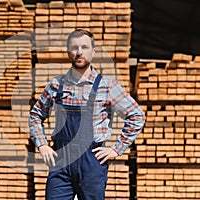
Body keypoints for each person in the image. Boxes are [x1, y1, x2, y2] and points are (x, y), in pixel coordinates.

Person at [28, 29, 145, 200]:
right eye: (74, 47)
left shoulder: (108, 86)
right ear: (68, 51)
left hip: (92, 161)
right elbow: (35, 115)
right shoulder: (56, 85)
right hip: (61, 160)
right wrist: (42, 145)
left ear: (93, 51)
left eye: (85, 47)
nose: (79, 52)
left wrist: (116, 150)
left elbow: (136, 116)